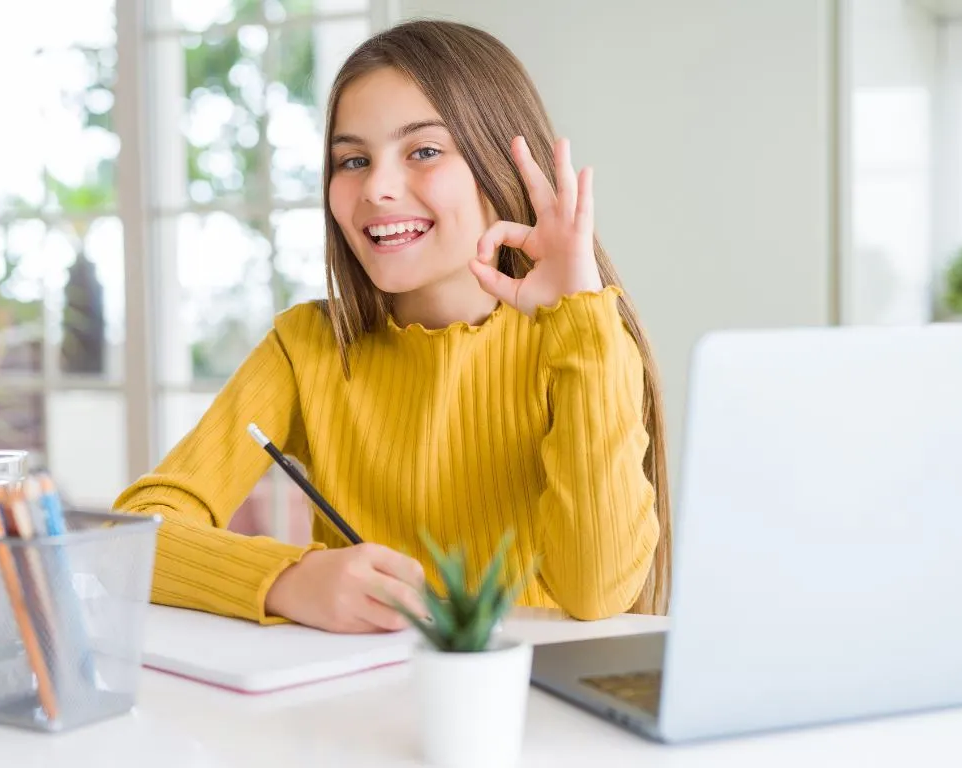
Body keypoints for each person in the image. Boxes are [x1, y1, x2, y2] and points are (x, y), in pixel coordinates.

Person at [114, 19, 671, 633]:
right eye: (353, 160)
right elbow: (139, 534)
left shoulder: (582, 349)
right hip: (348, 711)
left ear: (498, 164)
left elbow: (597, 593)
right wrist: (288, 580)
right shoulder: (307, 348)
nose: (376, 188)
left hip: (524, 714)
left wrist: (585, 325)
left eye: (424, 151)